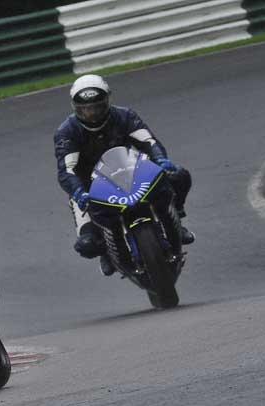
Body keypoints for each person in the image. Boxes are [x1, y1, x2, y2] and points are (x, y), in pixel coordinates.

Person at [54, 74, 194, 276]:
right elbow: (66, 169)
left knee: (178, 175)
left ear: (107, 102)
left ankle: (176, 219)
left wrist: (160, 159)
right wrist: (78, 190)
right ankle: (107, 250)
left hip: (132, 171)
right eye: (85, 109)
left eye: (96, 107)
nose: (92, 114)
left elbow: (150, 142)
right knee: (86, 245)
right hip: (89, 187)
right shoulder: (67, 132)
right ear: (75, 108)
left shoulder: (125, 116)